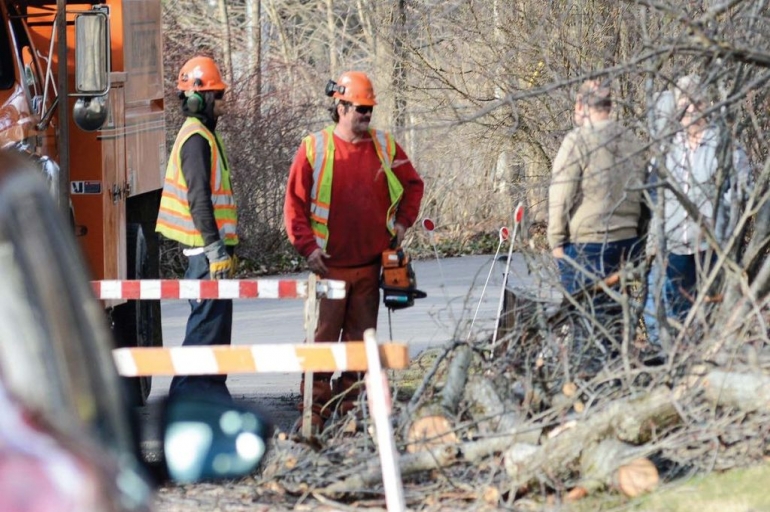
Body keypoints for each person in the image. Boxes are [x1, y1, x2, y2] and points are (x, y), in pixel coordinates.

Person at [284, 71, 424, 431]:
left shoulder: (385, 146)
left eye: (369, 109)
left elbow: (413, 185)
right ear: (341, 106)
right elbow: (294, 205)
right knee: (322, 342)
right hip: (327, 267)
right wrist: (307, 247)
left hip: (368, 266)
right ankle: (313, 411)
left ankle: (351, 410)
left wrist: (403, 224)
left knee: (361, 345)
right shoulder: (314, 147)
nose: (366, 115)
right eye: (361, 109)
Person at [645, 74, 751, 348]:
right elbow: (653, 192)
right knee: (667, 308)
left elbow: (739, 192)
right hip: (673, 244)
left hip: (710, 246)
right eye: (685, 103)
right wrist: (657, 234)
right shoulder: (667, 147)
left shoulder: (725, 146)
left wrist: (721, 222)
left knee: (706, 312)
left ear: (708, 105)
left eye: (697, 102)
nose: (691, 109)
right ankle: (671, 360)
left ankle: (705, 362)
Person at [155, 56, 238, 401]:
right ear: (197, 99)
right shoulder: (195, 140)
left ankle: (209, 398)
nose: (222, 103)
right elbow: (199, 199)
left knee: (214, 330)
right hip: (206, 254)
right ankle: (189, 400)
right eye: (217, 95)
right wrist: (215, 248)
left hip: (208, 252)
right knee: (205, 330)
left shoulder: (201, 135)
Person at [548, 79, 646, 296]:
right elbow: (644, 195)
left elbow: (561, 195)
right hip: (627, 243)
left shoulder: (578, 141)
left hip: (589, 244)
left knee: (587, 321)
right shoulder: (631, 141)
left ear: (582, 105)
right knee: (617, 319)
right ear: (609, 105)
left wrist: (556, 241)